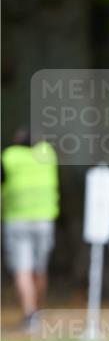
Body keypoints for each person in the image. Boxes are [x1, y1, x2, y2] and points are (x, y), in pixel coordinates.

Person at [1, 127, 59, 329]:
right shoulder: (47, 153)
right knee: (39, 269)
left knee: (22, 270)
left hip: (16, 219)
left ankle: (30, 314)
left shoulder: (10, 156)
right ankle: (37, 310)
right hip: (44, 219)